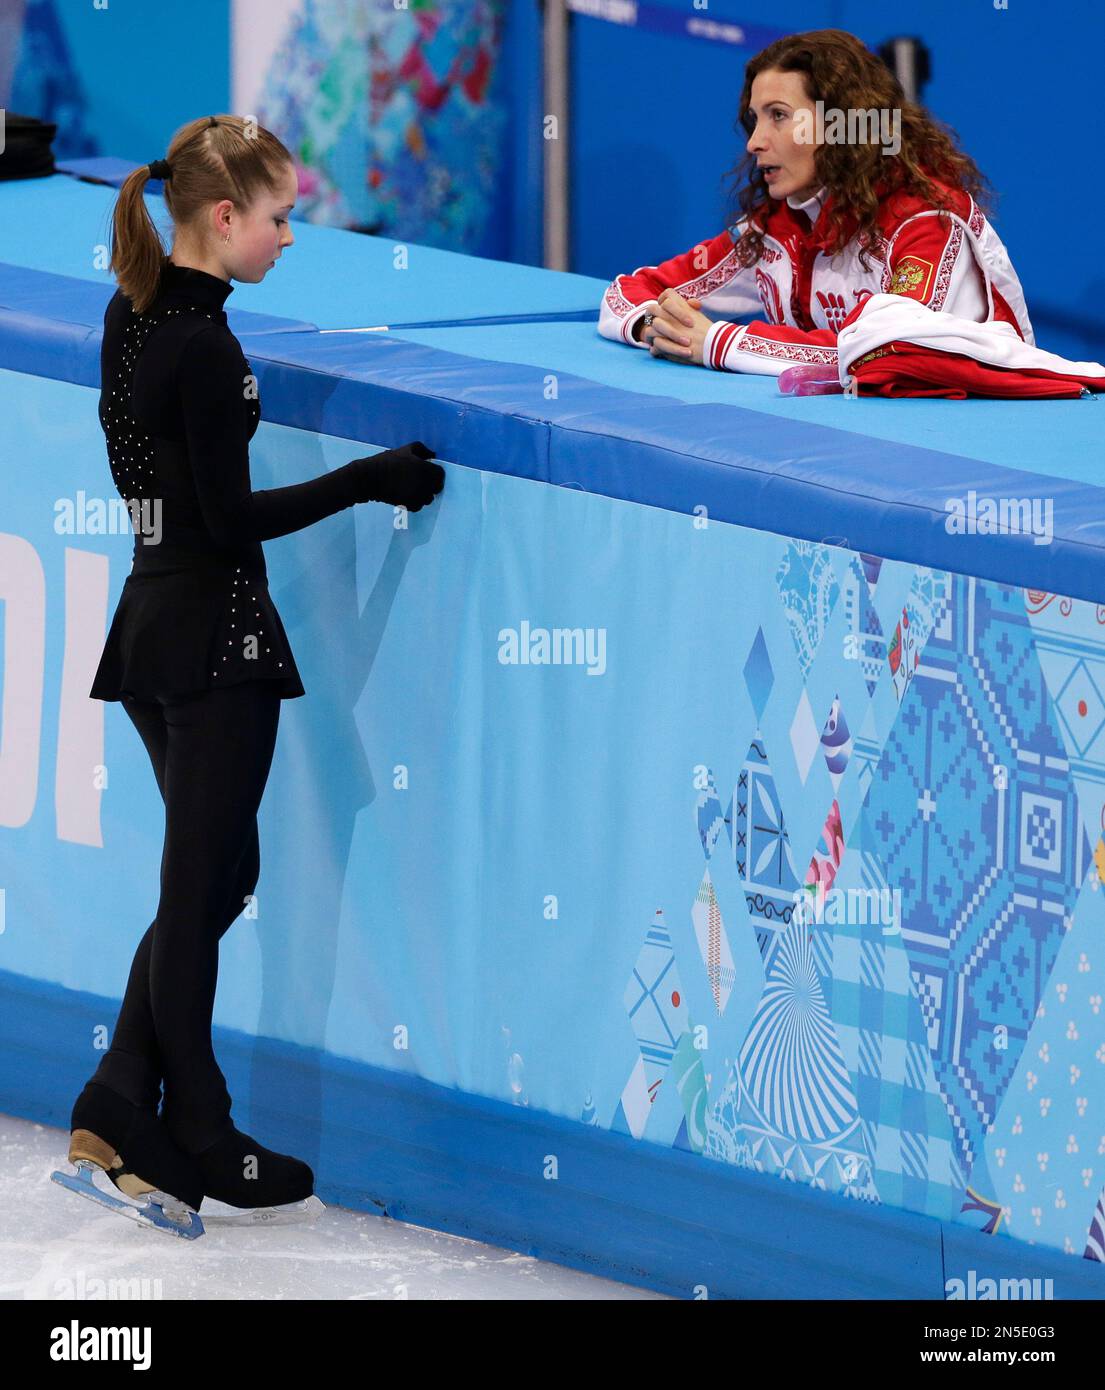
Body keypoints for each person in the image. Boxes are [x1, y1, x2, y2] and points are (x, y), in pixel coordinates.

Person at [65, 114, 445, 1226]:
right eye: (280, 217)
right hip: (217, 645)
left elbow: (172, 506)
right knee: (199, 895)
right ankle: (198, 1131)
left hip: (149, 631)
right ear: (223, 218)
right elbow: (228, 519)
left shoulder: (126, 318)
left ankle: (118, 1094)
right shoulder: (206, 348)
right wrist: (370, 480)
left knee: (216, 883)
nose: (290, 236)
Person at [597, 28, 1033, 379]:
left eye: (779, 116)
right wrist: (658, 329)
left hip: (968, 443)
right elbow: (630, 290)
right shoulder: (776, 229)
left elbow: (887, 351)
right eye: (755, 119)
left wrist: (720, 343)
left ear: (841, 123)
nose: (754, 142)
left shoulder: (925, 222)